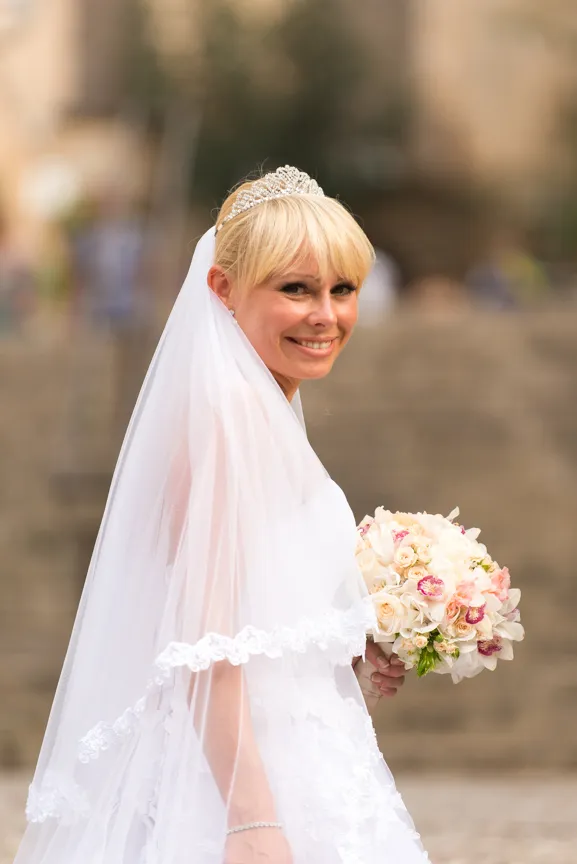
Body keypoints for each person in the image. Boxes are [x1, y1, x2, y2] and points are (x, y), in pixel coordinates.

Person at [15, 166, 429, 864]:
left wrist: (357, 637)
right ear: (222, 289)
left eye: (342, 289)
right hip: (243, 771)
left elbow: (260, 605)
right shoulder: (227, 412)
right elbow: (205, 634)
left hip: (294, 741)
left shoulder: (258, 401)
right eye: (295, 288)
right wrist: (249, 820)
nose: (325, 315)